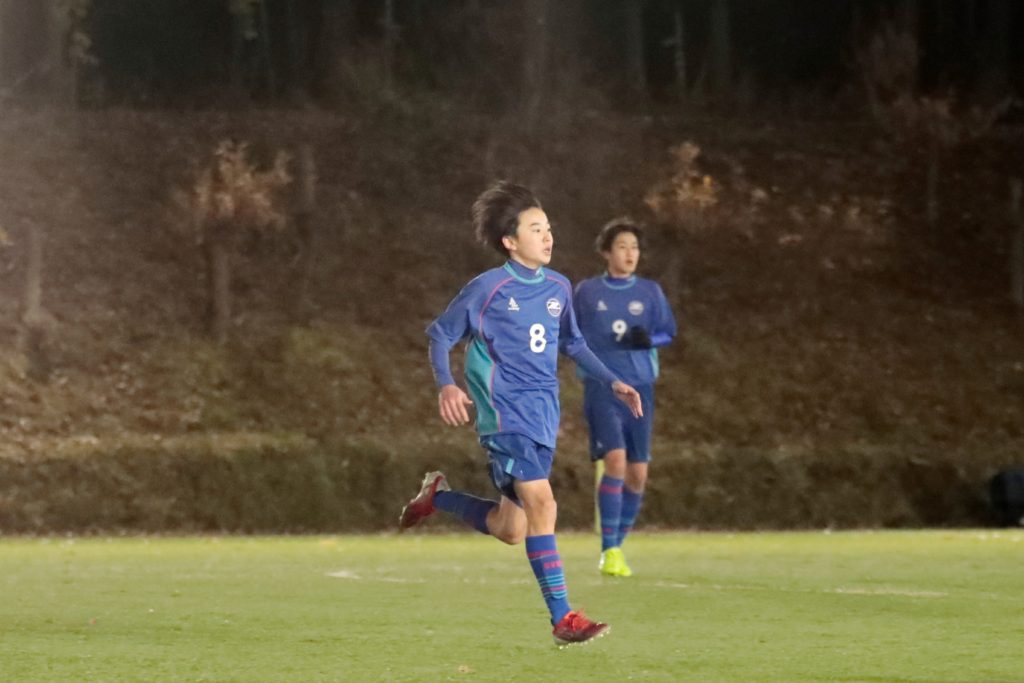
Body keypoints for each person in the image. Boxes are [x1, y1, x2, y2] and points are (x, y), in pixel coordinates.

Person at [398, 181, 643, 647]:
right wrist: (446, 384)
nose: (548, 236)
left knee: (510, 529)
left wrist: (613, 380)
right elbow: (441, 335)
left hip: (542, 416)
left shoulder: (559, 287)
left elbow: (573, 343)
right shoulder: (487, 288)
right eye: (535, 229)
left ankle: (438, 497)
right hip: (504, 416)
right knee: (543, 505)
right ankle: (563, 618)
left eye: (548, 227)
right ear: (510, 241)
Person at [573, 218, 677, 578]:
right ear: (606, 252)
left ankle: (617, 544)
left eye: (634, 247)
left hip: (641, 387)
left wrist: (649, 340)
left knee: (637, 475)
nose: (630, 253)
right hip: (603, 388)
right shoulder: (587, 292)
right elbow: (568, 333)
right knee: (615, 461)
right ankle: (610, 551)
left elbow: (668, 332)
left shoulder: (650, 292)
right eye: (622, 246)